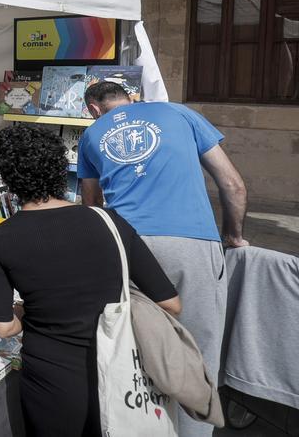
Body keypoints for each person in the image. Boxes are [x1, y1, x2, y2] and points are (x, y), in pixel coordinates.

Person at [0, 123, 180, 436]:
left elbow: (4, 327)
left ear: (7, 179)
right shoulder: (109, 220)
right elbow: (170, 303)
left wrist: (25, 311)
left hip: (51, 381)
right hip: (123, 372)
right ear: (60, 169)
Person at [78, 82, 247, 437]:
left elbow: (91, 207)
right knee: (199, 347)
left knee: (134, 346)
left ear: (94, 108)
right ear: (130, 97)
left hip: (127, 246)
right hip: (191, 242)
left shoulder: (92, 134)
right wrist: (232, 235)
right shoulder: (179, 112)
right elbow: (232, 185)